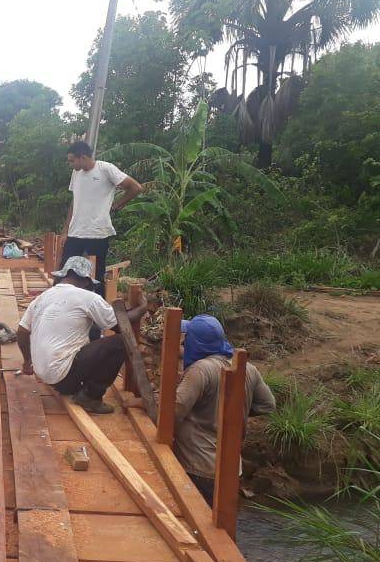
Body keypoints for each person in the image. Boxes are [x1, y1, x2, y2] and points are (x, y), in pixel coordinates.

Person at [16, 256, 148, 414]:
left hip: (44, 374)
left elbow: (22, 331)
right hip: (64, 378)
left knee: (92, 330)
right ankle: (91, 396)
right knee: (120, 342)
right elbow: (120, 325)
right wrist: (141, 309)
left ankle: (79, 383)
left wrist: (27, 362)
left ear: (65, 275)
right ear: (86, 281)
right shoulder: (88, 298)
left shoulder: (42, 297)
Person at [173, 314, 276, 505]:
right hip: (230, 469)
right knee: (222, 524)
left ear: (195, 342)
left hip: (198, 466)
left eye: (187, 340)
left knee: (198, 525)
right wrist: (233, 411)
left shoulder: (201, 370)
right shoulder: (247, 369)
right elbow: (268, 404)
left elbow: (174, 411)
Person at [62, 140, 143, 294]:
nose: (71, 164)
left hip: (97, 232)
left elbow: (136, 187)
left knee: (96, 276)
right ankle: (60, 305)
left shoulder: (106, 169)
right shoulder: (76, 173)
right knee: (65, 270)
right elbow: (75, 200)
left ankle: (98, 312)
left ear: (83, 157)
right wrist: (66, 229)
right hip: (76, 231)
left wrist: (119, 204)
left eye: (72, 160)